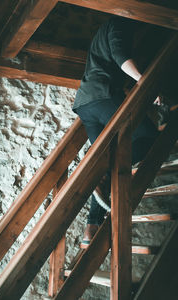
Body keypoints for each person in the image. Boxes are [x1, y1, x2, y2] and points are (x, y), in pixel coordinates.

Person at [72, 16, 159, 247]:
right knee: (148, 136)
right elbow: (121, 58)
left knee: (104, 162)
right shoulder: (119, 24)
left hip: (86, 104)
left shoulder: (104, 30)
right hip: (102, 96)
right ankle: (105, 176)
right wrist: (144, 81)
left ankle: (91, 228)